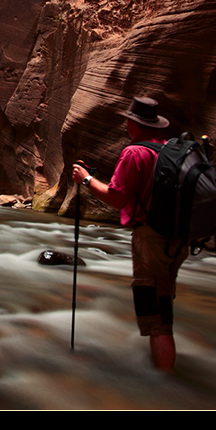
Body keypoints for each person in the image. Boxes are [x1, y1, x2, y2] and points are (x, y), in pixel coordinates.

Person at [71, 96, 188, 372]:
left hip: (151, 239)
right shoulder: (172, 151)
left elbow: (117, 198)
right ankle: (162, 371)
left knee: (156, 315)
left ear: (135, 124)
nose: (126, 124)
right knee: (162, 300)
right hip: (179, 238)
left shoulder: (135, 153)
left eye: (128, 120)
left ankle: (164, 381)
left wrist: (86, 179)